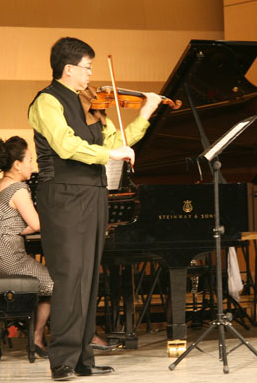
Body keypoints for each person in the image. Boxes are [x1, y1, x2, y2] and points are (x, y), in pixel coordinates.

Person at [28, 37, 161, 380]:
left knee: (88, 277)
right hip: (63, 195)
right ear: (68, 69)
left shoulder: (92, 103)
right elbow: (65, 145)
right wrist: (110, 154)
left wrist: (145, 113)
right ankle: (62, 359)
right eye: (87, 68)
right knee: (69, 276)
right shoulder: (46, 101)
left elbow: (117, 142)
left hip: (93, 194)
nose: (91, 74)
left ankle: (82, 358)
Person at [0, 136, 52, 358]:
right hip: (9, 256)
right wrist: (19, 231)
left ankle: (35, 333)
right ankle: (36, 339)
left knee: (41, 283)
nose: (33, 165)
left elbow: (0, 223)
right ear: (17, 164)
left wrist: (13, 230)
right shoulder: (17, 188)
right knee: (55, 285)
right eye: (30, 160)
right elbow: (36, 224)